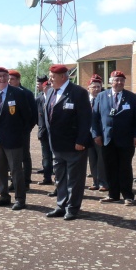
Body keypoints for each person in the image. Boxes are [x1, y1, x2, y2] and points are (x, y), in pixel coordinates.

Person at [44, 64, 91, 220]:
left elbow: (85, 120)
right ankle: (61, 205)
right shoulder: (50, 92)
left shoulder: (78, 93)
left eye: (52, 76)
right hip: (57, 146)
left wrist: (81, 140)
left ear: (63, 77)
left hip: (74, 145)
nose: (49, 79)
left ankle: (72, 208)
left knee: (75, 180)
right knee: (60, 178)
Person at [91, 71, 136, 205]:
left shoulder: (132, 97)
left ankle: (128, 195)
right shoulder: (101, 96)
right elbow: (94, 117)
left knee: (125, 168)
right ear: (110, 81)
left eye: (121, 80)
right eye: (116, 80)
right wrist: (96, 134)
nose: (119, 82)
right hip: (107, 139)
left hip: (126, 139)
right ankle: (113, 194)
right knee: (110, 167)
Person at [0, 67, 33, 210]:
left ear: (8, 77)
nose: (1, 78)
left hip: (14, 140)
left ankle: (20, 199)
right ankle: (4, 196)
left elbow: (28, 118)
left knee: (16, 170)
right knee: (0, 170)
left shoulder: (18, 94)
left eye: (4, 76)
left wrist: (21, 134)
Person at [9, 69, 38, 190]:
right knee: (11, 157)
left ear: (18, 80)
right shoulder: (7, 92)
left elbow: (33, 114)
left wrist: (27, 128)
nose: (10, 81)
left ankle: (26, 181)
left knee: (24, 155)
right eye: (9, 79)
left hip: (23, 131)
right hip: (9, 131)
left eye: (12, 79)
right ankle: (14, 181)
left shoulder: (26, 93)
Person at [86, 76, 108, 192]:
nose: (96, 89)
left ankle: (104, 182)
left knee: (102, 159)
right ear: (88, 88)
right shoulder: (84, 100)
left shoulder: (105, 98)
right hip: (87, 135)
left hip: (101, 134)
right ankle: (95, 181)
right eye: (93, 87)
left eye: (99, 87)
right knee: (92, 159)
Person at [35, 78, 53, 185]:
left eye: (49, 87)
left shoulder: (55, 98)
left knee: (55, 157)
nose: (47, 89)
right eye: (46, 87)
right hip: (43, 132)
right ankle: (47, 177)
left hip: (55, 134)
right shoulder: (38, 99)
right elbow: (35, 115)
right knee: (46, 156)